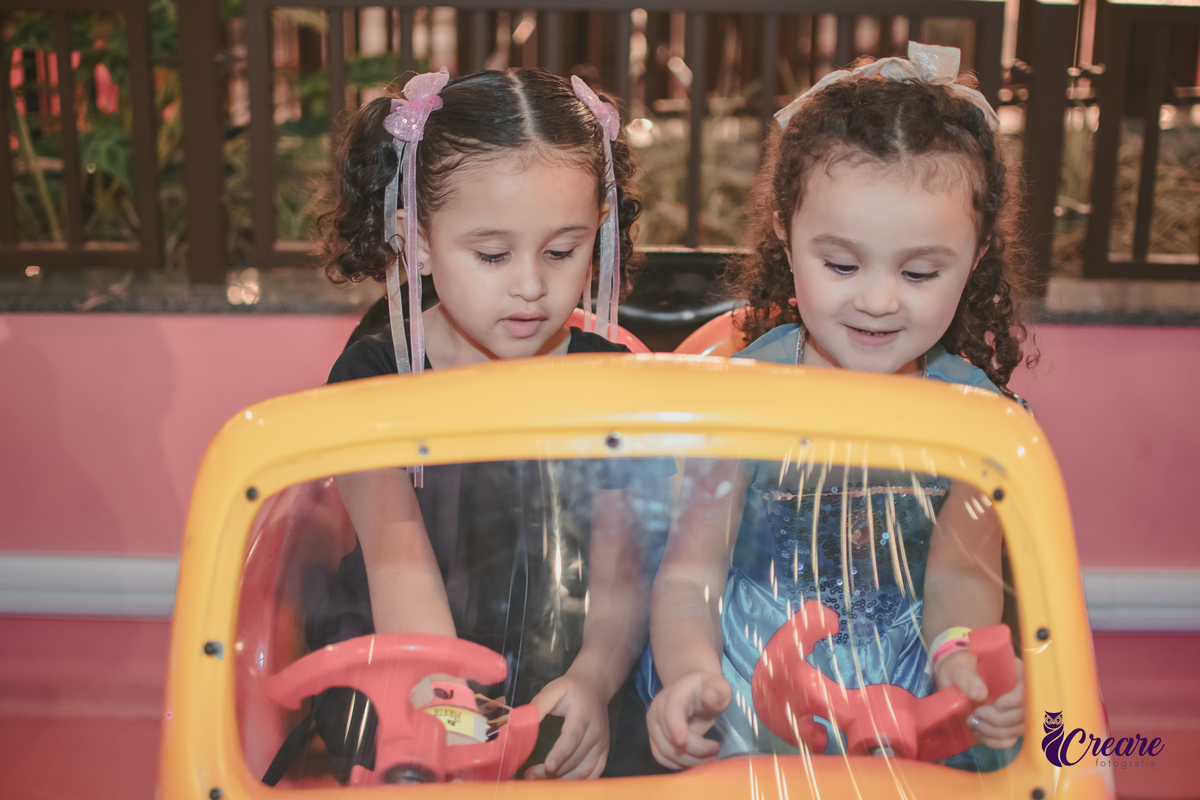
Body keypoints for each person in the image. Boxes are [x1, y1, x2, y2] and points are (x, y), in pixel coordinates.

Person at [644, 43, 1033, 772]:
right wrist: (690, 676)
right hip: (747, 675)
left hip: (905, 685)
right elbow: (689, 571)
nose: (879, 300)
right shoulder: (738, 397)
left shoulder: (977, 421)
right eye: (843, 264)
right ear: (786, 236)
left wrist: (960, 667)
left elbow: (960, 579)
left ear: (974, 256)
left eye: (920, 271)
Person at [301, 67, 655, 783]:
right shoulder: (375, 379)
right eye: (492, 255)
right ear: (419, 242)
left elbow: (622, 568)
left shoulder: (612, 377)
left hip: (573, 663)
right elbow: (398, 564)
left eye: (562, 251)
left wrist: (593, 679)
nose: (530, 284)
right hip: (409, 659)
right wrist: (454, 714)